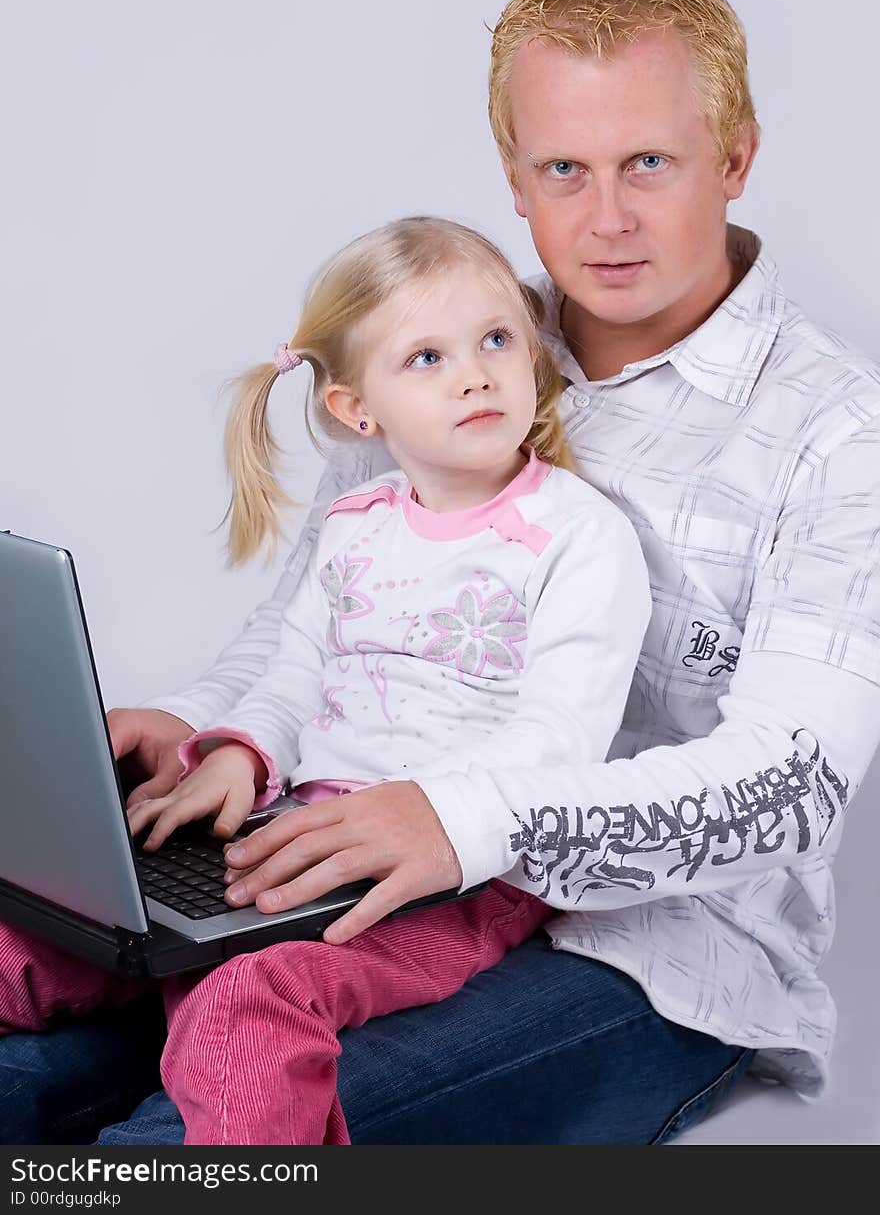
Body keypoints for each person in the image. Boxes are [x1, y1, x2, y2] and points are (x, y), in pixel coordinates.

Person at [2, 0, 878, 1146]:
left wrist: (467, 821)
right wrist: (207, 727)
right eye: (563, 168)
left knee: (177, 1148)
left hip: (653, 953)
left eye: (650, 165)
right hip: (344, 861)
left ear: (734, 156)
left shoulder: (834, 432)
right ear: (513, 176)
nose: (606, 216)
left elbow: (792, 788)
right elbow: (319, 620)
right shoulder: (446, 339)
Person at [0, 218, 651, 1144]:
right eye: (427, 356)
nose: (475, 374)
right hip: (298, 831)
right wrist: (240, 755)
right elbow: (294, 677)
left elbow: (561, 744)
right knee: (35, 939)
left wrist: (421, 813)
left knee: (249, 1001)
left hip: (458, 876)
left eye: (497, 340)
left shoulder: (579, 537)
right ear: (357, 410)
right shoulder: (357, 524)